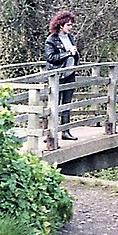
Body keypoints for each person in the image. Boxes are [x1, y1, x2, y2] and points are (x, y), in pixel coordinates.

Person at [44, 11, 80, 141]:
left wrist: (75, 57)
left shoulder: (70, 38)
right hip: (57, 76)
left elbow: (74, 54)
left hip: (70, 74)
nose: (70, 27)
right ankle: (50, 134)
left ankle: (65, 131)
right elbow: (50, 58)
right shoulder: (51, 40)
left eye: (71, 25)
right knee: (54, 105)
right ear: (60, 25)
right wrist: (67, 53)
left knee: (67, 104)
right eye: (68, 25)